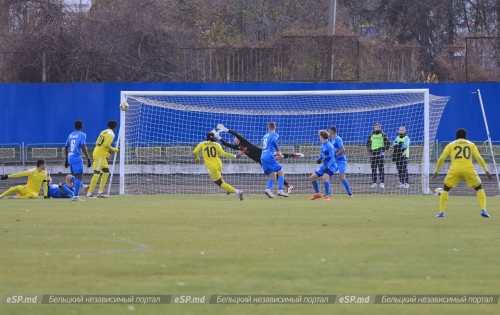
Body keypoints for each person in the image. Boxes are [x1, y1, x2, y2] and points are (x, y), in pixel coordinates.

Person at [215, 123, 304, 194]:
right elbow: (226, 144)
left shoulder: (243, 141)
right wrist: (219, 137)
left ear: (238, 138)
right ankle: (287, 185)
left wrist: (226, 130)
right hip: (260, 160)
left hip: (263, 154)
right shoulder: (238, 147)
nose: (234, 139)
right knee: (274, 175)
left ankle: (293, 156)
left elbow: (235, 133)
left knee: (278, 160)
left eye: (235, 138)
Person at [431, 128, 492, 218]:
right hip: (469, 169)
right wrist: (486, 171)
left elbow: (441, 158)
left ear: (456, 137)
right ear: (465, 136)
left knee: (446, 189)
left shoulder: (450, 145)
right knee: (479, 188)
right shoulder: (471, 144)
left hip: (455, 169)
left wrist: (436, 172)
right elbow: (479, 158)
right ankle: (483, 210)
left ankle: (441, 212)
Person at [193, 131, 244, 200]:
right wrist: (235, 156)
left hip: (211, 166)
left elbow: (195, 152)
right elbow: (223, 154)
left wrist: (197, 158)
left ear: (207, 137)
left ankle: (237, 191)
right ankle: (228, 189)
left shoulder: (202, 144)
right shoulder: (217, 144)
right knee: (220, 178)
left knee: (219, 183)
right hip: (219, 164)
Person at [86, 120, 119, 198]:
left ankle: (100, 193)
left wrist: (107, 154)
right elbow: (107, 144)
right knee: (96, 173)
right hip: (99, 155)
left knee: (106, 172)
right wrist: (114, 149)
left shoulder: (103, 131)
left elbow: (98, 143)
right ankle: (89, 194)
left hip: (100, 153)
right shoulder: (111, 134)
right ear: (115, 127)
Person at [65, 120, 92, 201]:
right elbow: (83, 146)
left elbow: (66, 146)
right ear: (82, 127)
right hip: (76, 157)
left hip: (70, 157)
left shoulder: (70, 135)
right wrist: (88, 158)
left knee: (76, 176)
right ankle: (75, 196)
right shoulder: (82, 135)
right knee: (79, 176)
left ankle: (79, 190)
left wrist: (66, 159)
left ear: (74, 127)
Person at [260, 122, 289, 198]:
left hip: (263, 157)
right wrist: (279, 151)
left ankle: (268, 190)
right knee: (281, 172)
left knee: (273, 176)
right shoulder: (275, 134)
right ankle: (280, 190)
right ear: (275, 127)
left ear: (268, 127)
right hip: (269, 156)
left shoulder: (265, 136)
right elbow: (273, 141)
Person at [310, 130, 338, 201]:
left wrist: (328, 166)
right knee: (312, 177)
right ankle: (317, 194)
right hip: (325, 165)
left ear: (321, 137)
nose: (319, 137)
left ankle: (327, 196)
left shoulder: (329, 146)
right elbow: (322, 154)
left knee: (325, 177)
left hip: (331, 165)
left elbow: (332, 158)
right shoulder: (322, 144)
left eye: (319, 136)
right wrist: (319, 159)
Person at [328, 126, 352, 197]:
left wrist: (335, 154)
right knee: (327, 175)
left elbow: (342, 149)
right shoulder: (331, 140)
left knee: (341, 177)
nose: (328, 133)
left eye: (329, 131)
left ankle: (350, 193)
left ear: (331, 132)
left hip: (341, 161)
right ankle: (328, 193)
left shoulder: (337, 139)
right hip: (335, 161)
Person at [366, 123, 391, 188]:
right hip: (373, 155)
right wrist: (369, 150)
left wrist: (382, 149)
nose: (376, 128)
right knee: (373, 169)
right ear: (374, 127)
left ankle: (382, 183)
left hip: (380, 154)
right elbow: (367, 143)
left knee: (381, 169)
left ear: (380, 128)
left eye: (378, 127)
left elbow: (388, 144)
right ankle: (374, 183)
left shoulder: (383, 134)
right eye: (375, 127)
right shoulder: (371, 134)